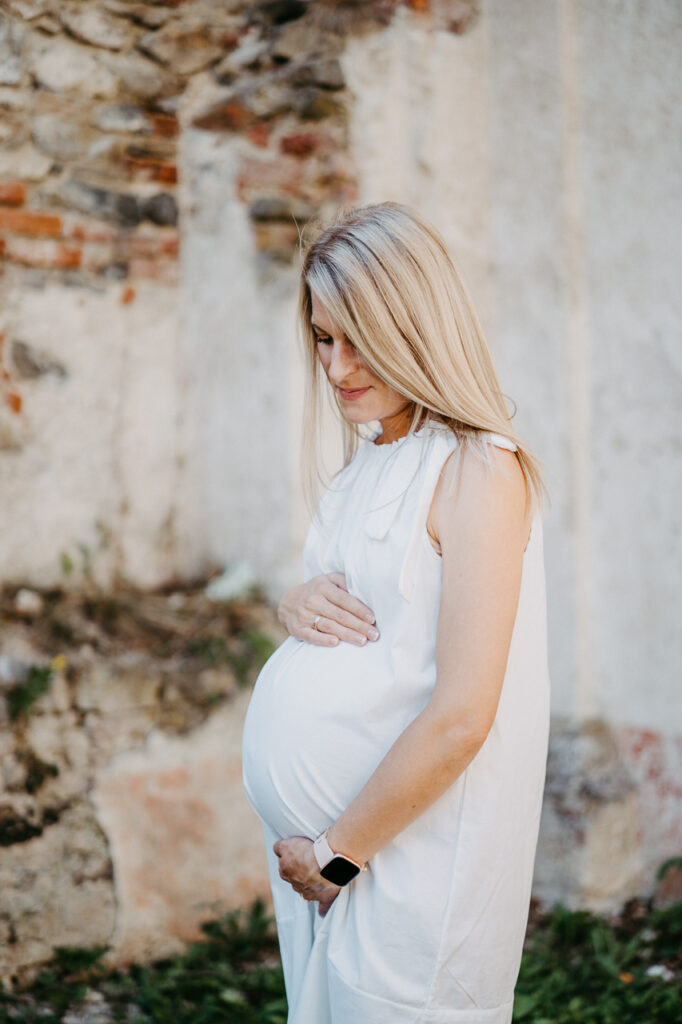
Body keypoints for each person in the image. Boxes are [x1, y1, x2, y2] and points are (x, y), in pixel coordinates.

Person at [241, 201, 551, 1024]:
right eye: (323, 338)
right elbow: (371, 624)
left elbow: (463, 715)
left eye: (361, 340)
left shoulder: (480, 471)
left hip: (407, 873)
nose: (336, 366)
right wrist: (295, 605)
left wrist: (336, 857)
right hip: (341, 870)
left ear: (417, 330)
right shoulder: (372, 459)